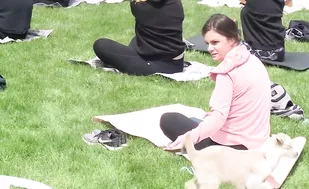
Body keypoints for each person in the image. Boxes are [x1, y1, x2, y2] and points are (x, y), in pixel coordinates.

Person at [160, 14, 271, 151]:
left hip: (230, 149)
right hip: (258, 142)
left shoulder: (227, 73)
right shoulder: (253, 60)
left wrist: (189, 138)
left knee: (169, 119)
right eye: (208, 43)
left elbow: (218, 117)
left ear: (232, 39)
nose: (209, 49)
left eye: (215, 42)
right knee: (197, 119)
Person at [93, 0, 186, 76]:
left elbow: (136, 5)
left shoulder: (139, 7)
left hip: (159, 64)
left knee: (101, 45)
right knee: (135, 40)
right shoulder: (175, 2)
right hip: (176, 59)